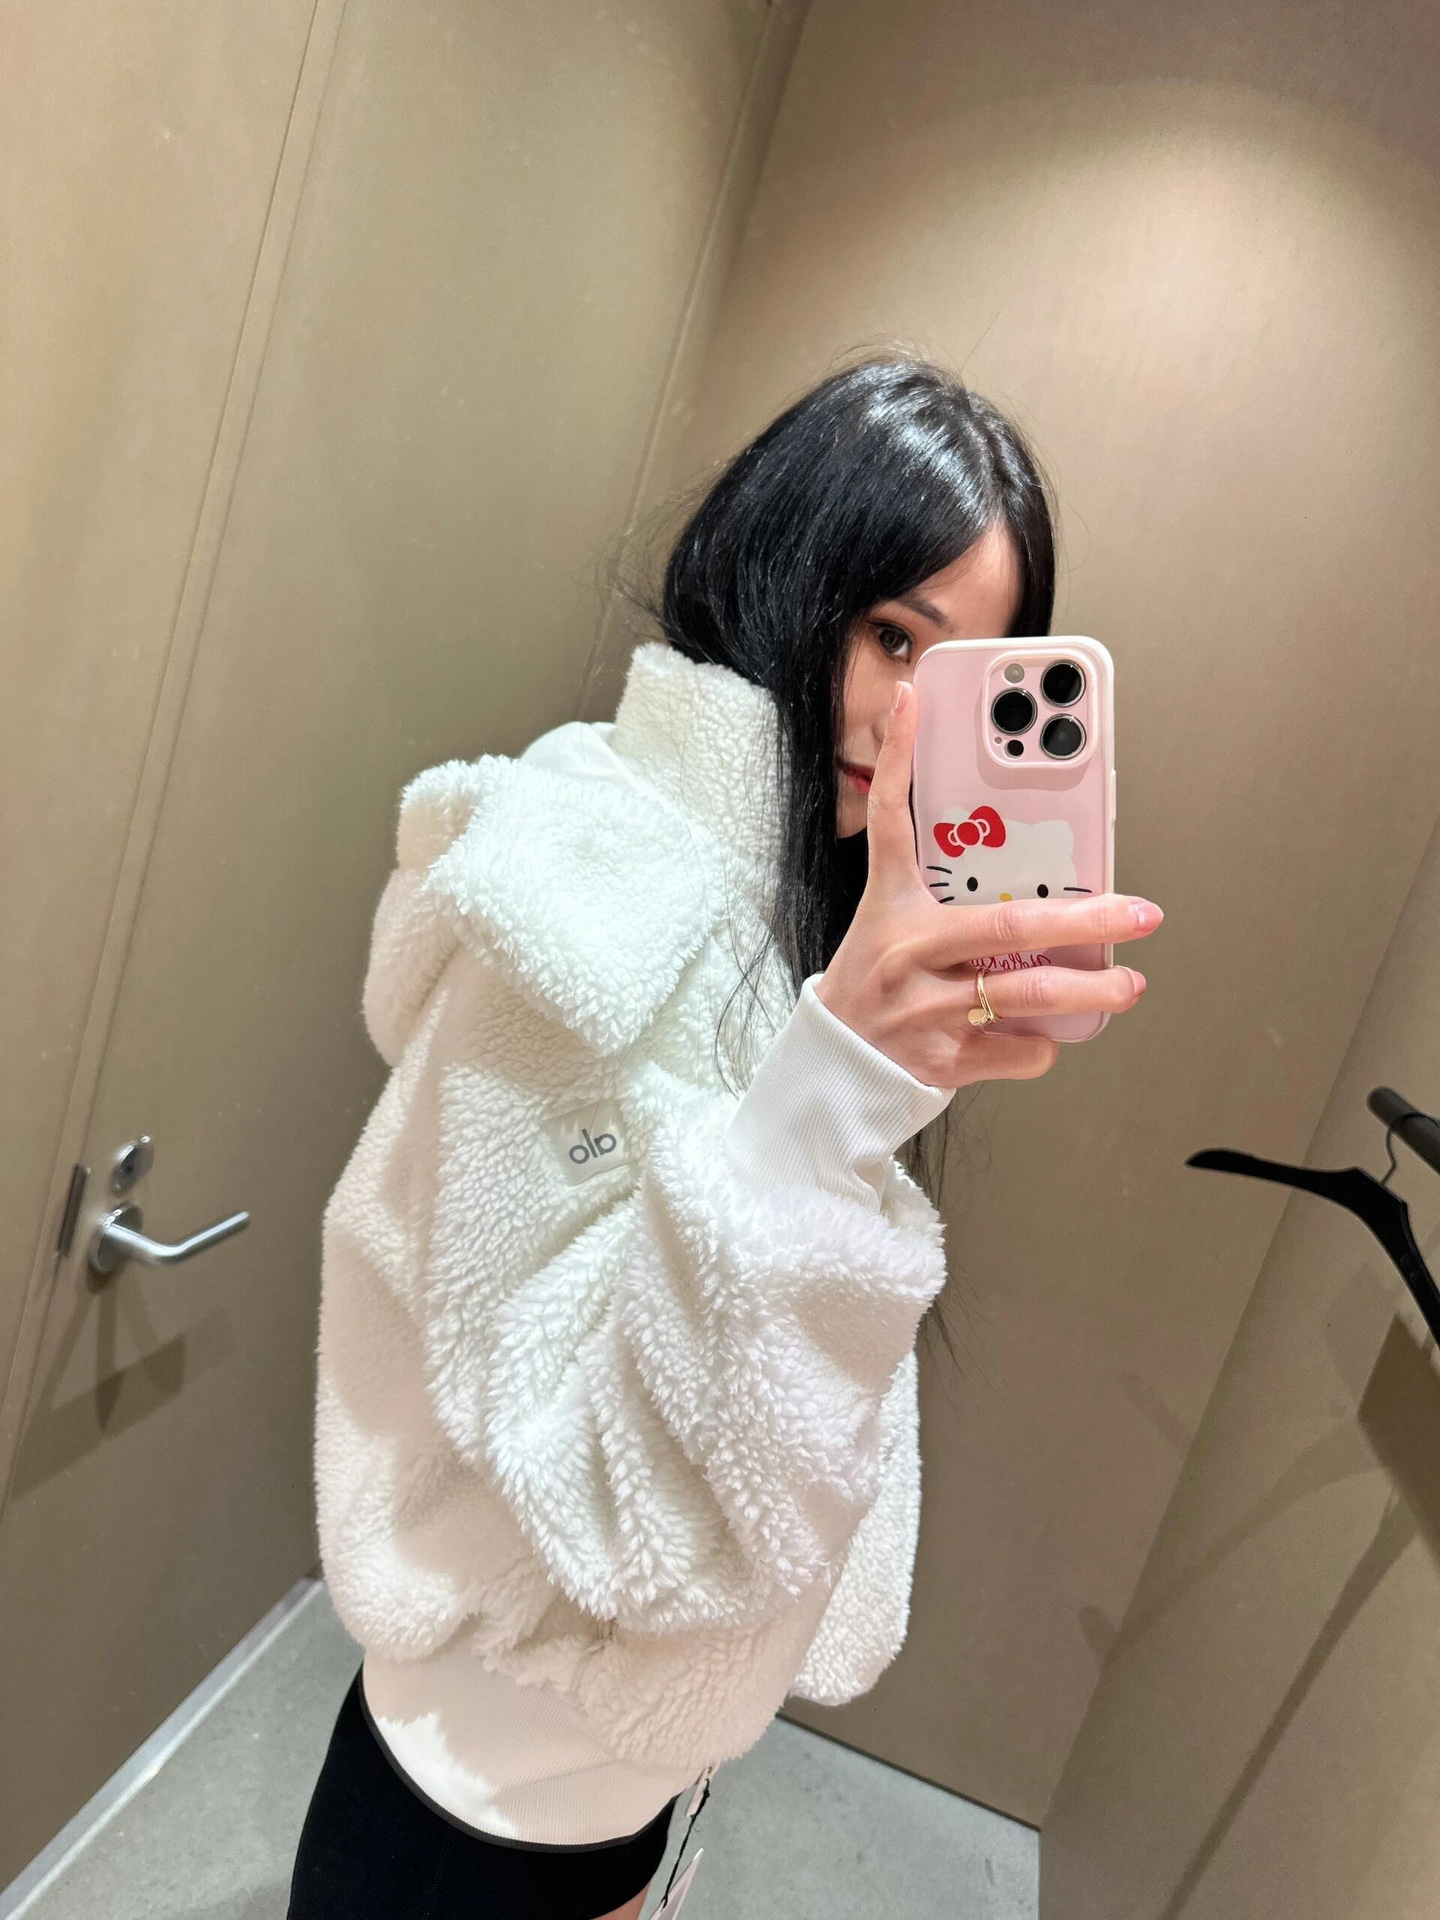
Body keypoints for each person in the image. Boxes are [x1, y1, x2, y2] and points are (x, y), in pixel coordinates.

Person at [286, 357, 1163, 1920]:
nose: (911, 715)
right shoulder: (580, 904)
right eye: (891, 634)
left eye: (964, 671)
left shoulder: (788, 920)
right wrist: (830, 1100)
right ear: (780, 571)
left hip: (617, 1787)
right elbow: (606, 1508)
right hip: (471, 1802)